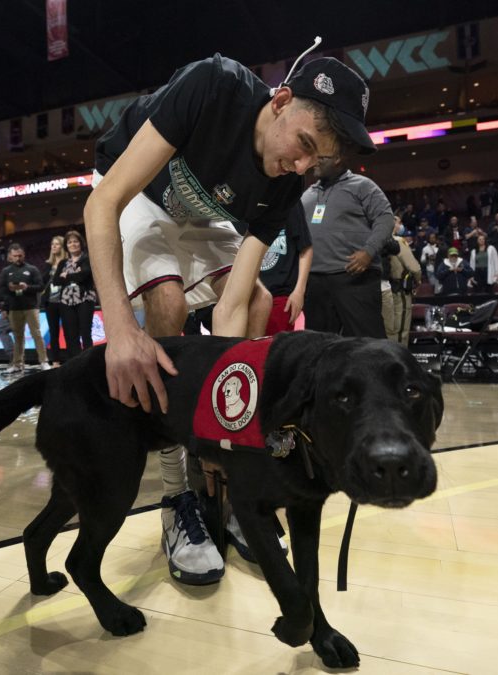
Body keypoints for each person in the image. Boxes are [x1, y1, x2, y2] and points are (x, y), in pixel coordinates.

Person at [83, 48, 375, 585]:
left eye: (318, 161)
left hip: (195, 214)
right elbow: (103, 204)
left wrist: (228, 428)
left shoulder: (288, 177)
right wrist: (121, 331)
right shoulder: (212, 85)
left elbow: (235, 305)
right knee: (167, 302)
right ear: (281, 101)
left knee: (262, 301)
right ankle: (176, 499)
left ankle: (235, 481)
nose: (304, 167)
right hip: (134, 190)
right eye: (305, 146)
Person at [301, 155, 393, 339]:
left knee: (367, 342)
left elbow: (385, 218)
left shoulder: (362, 185)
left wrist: (368, 251)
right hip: (315, 280)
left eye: (321, 157)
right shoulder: (307, 194)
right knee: (318, 344)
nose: (315, 161)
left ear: (337, 159)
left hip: (354, 276)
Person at [259, 204, 312, 335]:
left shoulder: (290, 202)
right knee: (249, 351)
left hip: (281, 295)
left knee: (275, 350)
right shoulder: (244, 202)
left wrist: (299, 292)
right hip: (249, 295)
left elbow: (305, 248)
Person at [0, 243, 50, 373]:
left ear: (24, 255)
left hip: (31, 307)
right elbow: (1, 290)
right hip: (14, 308)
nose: (18, 258)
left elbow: (40, 286)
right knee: (18, 336)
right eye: (15, 256)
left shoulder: (32, 269)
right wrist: (6, 304)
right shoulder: (6, 271)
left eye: (20, 255)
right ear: (10, 256)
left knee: (36, 334)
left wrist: (27, 287)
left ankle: (44, 361)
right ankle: (18, 363)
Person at [53, 230, 96, 359]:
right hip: (66, 301)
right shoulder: (62, 263)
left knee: (85, 333)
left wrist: (67, 276)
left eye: (75, 241)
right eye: (70, 242)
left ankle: (89, 362)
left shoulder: (87, 259)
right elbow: (56, 281)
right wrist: (75, 276)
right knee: (70, 335)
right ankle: (75, 363)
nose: (73, 244)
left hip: (85, 299)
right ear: (66, 246)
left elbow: (85, 275)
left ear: (81, 243)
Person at [383, 216, 422, 345]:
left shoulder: (379, 239)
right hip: (399, 290)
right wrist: (419, 281)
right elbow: (414, 268)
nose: (401, 225)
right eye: (399, 222)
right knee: (400, 328)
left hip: (383, 289)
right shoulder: (398, 241)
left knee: (388, 327)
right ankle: (399, 360)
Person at [42, 235, 66, 367]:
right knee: (53, 331)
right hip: (50, 302)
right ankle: (55, 360)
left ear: (62, 247)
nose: (54, 246)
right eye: (52, 244)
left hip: (65, 301)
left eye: (57, 244)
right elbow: (42, 281)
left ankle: (70, 359)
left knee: (69, 331)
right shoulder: (48, 264)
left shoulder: (67, 262)